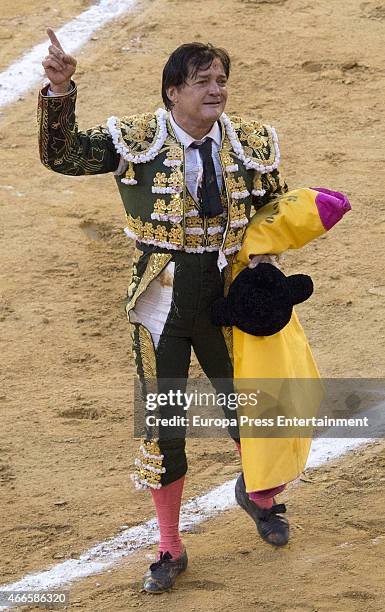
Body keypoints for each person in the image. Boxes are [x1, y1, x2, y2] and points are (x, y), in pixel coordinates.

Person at [38, 29, 288, 593]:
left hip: (228, 290)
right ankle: (170, 547)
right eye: (202, 82)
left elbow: (276, 207)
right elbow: (63, 154)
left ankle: (260, 493)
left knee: (251, 400)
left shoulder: (252, 140)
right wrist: (59, 90)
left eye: (221, 80)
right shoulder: (137, 137)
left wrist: (267, 263)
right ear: (172, 91)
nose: (216, 90)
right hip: (163, 293)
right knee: (164, 421)